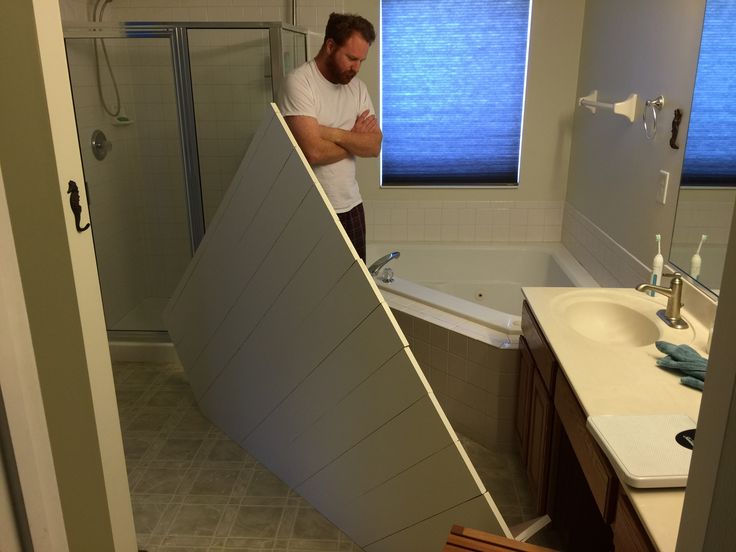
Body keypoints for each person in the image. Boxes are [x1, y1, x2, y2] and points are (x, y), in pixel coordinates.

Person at [278, 12, 381, 263]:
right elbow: (313, 152)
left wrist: (330, 133)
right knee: (315, 291)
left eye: (361, 61)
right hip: (312, 210)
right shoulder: (299, 83)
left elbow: (375, 145)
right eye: (351, 58)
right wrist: (354, 140)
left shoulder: (358, 89)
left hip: (351, 206)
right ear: (330, 46)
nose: (356, 68)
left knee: (354, 289)